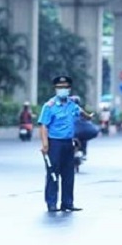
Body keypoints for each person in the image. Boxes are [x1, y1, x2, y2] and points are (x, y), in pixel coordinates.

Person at [38, 76, 93, 212]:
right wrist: (45, 144)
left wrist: (88, 116)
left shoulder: (72, 105)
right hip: (54, 143)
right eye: (60, 87)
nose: (63, 89)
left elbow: (81, 113)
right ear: (56, 89)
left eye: (65, 87)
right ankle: (51, 203)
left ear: (69, 89)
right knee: (53, 174)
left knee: (69, 174)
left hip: (69, 143)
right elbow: (43, 126)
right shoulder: (49, 106)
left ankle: (67, 203)